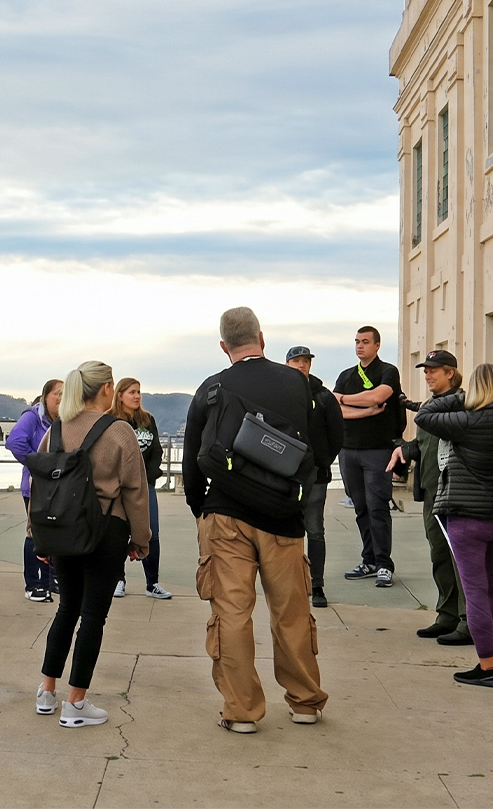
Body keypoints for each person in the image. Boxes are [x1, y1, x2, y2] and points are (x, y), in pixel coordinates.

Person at [183, 307, 328, 732]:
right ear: (262, 339)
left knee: (231, 612)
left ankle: (242, 710)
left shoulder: (211, 389)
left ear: (224, 346)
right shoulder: (297, 384)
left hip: (226, 515)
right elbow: (319, 447)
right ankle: (304, 702)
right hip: (283, 517)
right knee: (291, 611)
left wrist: (201, 508)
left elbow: (194, 459)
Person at [34, 361, 150, 728]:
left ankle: (47, 691)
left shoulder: (55, 430)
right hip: (106, 530)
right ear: (106, 389)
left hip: (63, 531)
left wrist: (36, 535)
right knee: (93, 616)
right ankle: (76, 703)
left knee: (67, 608)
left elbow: (43, 487)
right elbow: (135, 491)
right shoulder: (120, 431)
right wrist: (141, 539)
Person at [413, 364, 493, 688]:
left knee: (475, 592)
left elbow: (424, 416)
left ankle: (486, 667)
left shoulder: (467, 422)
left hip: (467, 517)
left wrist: (461, 397)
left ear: (475, 390)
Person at [390, 350, 470, 645]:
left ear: (450, 372)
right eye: (426, 370)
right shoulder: (431, 407)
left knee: (459, 559)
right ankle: (446, 615)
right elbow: (425, 443)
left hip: (455, 492)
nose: (428, 375)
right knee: (439, 556)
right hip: (432, 492)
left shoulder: (463, 405)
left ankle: (467, 620)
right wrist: (405, 450)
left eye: (433, 370)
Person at [334, 325, 405, 588]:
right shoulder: (345, 375)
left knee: (378, 508)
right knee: (361, 507)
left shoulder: (387, 371)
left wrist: (346, 399)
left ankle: (384, 564)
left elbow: (379, 395)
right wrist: (364, 409)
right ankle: (369, 559)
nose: (360, 346)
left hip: (378, 451)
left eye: (365, 341)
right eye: (356, 341)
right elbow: (335, 407)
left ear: (377, 345)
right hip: (348, 450)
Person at [285, 346, 343, 609]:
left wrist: (322, 461)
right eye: (296, 361)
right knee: (286, 530)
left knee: (315, 529)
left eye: (305, 361)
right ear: (287, 364)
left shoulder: (323, 397)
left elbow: (337, 436)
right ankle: (290, 583)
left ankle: (316, 584)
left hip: (316, 475)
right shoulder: (280, 395)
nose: (301, 365)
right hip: (285, 475)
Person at [110, 378, 171, 600]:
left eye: (139, 392)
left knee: (151, 532)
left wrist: (151, 474)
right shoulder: (111, 420)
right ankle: (118, 579)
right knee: (118, 532)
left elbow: (156, 451)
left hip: (146, 486)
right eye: (131, 392)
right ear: (120, 395)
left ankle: (152, 583)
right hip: (119, 488)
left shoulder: (148, 420)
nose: (136, 396)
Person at [6, 379, 63, 602]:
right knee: (35, 533)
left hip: (59, 487)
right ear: (45, 396)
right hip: (35, 486)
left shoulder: (65, 420)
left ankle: (50, 580)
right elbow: (15, 442)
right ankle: (33, 583)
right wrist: (38, 466)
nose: (61, 398)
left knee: (56, 533)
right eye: (57, 394)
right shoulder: (32, 417)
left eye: (65, 394)